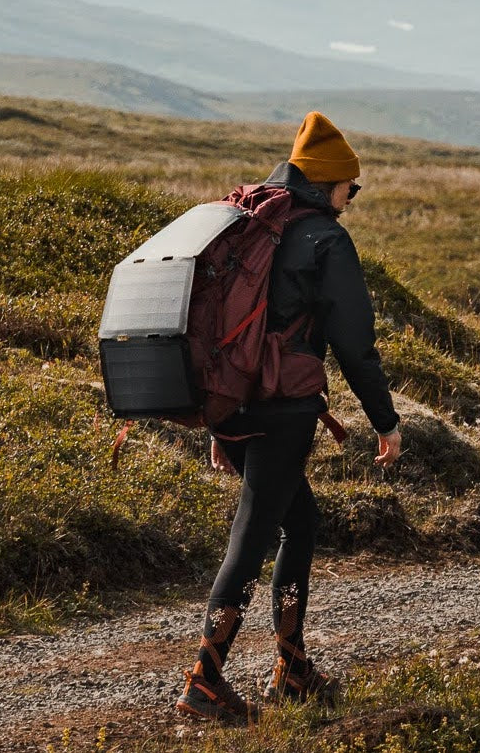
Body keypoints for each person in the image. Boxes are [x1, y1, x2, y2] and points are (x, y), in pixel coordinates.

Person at [175, 111, 404, 723]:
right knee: (254, 533)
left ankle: (291, 665)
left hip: (236, 402)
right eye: (350, 187)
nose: (351, 198)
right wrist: (385, 419)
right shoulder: (325, 240)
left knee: (298, 521)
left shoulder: (251, 222)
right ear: (328, 182)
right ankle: (205, 678)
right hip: (283, 406)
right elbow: (353, 341)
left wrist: (217, 415)